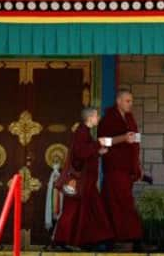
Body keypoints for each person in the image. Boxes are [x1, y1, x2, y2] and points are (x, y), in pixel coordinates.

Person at [53, 107, 113, 250]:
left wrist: (98, 152)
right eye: (97, 116)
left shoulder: (84, 132)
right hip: (79, 181)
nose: (99, 118)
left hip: (87, 182)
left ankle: (90, 241)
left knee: (89, 210)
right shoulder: (81, 132)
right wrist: (98, 143)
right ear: (91, 117)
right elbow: (80, 153)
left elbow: (86, 153)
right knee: (73, 210)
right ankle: (62, 241)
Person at [97, 90, 144, 249]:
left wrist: (138, 165)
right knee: (120, 203)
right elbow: (103, 142)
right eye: (127, 101)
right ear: (118, 101)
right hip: (114, 168)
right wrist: (123, 138)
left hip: (127, 168)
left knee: (123, 202)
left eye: (131, 101)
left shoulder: (130, 118)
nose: (130, 104)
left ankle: (121, 238)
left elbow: (136, 141)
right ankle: (128, 239)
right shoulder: (108, 119)